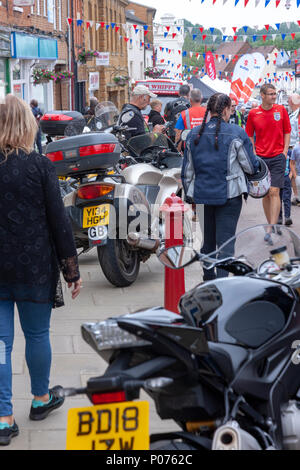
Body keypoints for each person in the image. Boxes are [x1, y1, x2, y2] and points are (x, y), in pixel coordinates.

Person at [0, 94, 82, 446]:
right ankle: (40, 399)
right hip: (33, 265)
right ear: (28, 125)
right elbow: (59, 222)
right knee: (36, 335)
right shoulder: (39, 166)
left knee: (0, 344)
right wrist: (71, 270)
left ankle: (4, 418)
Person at [182, 93, 259, 281]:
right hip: (230, 195)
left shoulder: (193, 134)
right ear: (226, 109)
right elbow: (250, 165)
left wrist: (190, 197)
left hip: (202, 194)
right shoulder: (236, 133)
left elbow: (187, 171)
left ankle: (208, 278)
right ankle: (223, 284)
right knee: (225, 243)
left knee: (208, 241)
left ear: (209, 110)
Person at [246, 84, 291, 244]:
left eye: (275, 94)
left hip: (278, 156)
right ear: (262, 95)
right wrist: (253, 152)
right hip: (261, 158)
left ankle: (271, 227)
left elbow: (287, 131)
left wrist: (284, 151)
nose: (274, 96)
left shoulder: (281, 110)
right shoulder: (253, 113)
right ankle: (270, 224)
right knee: (265, 193)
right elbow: (249, 135)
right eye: (271, 94)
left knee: (274, 191)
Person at [287, 93, 300, 205]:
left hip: (296, 147)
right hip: (291, 148)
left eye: (289, 100)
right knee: (293, 173)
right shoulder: (293, 114)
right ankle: (296, 196)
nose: (287, 102)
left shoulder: (298, 114)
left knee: (296, 172)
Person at [278, 155, 293, 226]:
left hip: (286, 177)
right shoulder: (276, 151)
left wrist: (291, 173)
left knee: (286, 198)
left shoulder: (289, 152)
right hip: (277, 178)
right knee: (278, 199)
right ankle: (279, 218)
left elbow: (292, 163)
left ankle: (287, 217)